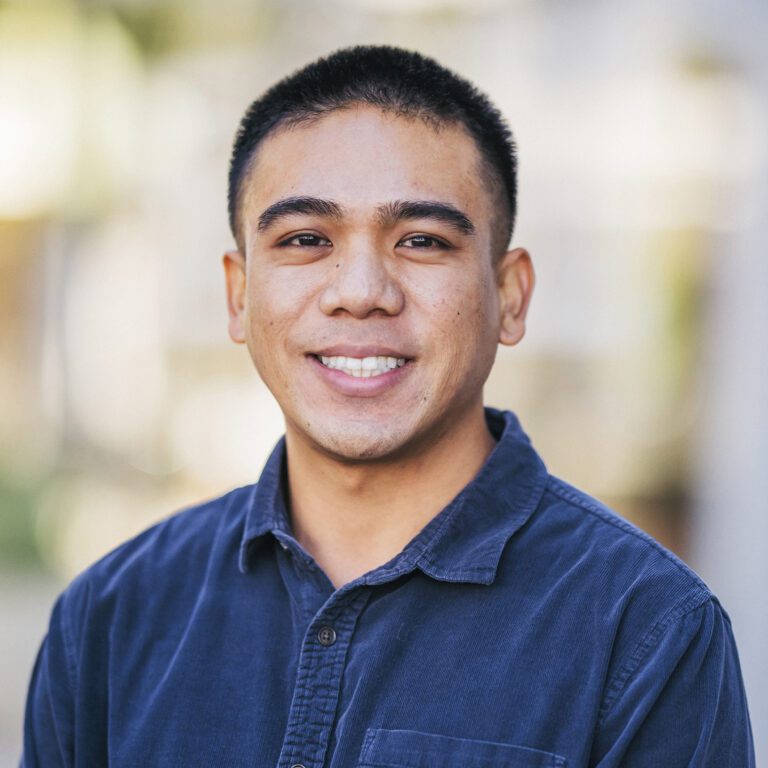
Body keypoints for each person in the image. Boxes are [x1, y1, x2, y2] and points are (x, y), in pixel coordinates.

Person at [23, 45, 754, 767]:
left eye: (423, 241)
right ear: (238, 294)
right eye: (306, 239)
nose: (362, 289)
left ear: (511, 295)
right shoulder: (111, 619)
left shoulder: (647, 630)